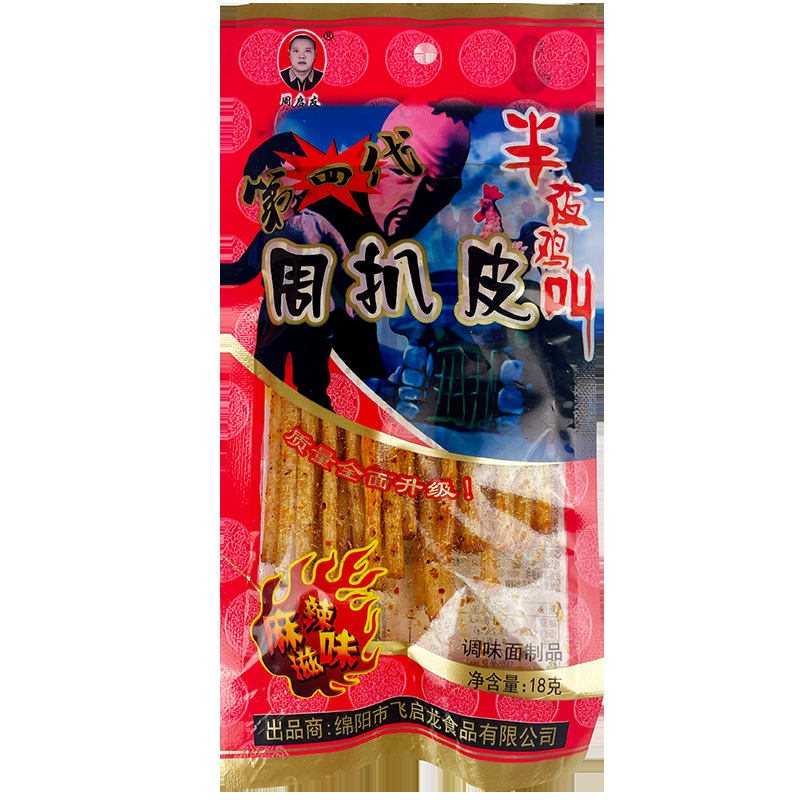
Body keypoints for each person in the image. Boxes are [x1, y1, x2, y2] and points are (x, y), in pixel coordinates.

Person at [221, 102, 477, 410]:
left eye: (438, 184)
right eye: (401, 172)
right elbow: (245, 270)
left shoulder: (384, 239)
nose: (413, 201)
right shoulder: (319, 214)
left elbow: (361, 334)